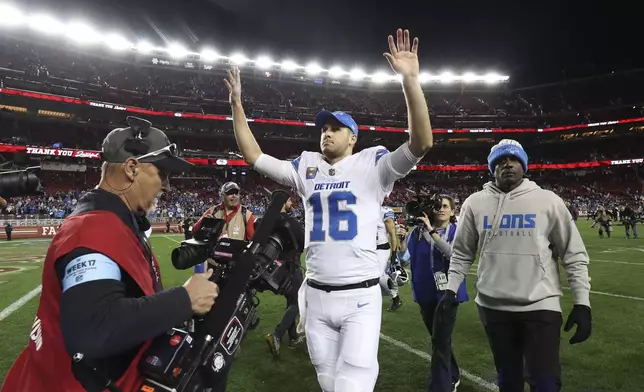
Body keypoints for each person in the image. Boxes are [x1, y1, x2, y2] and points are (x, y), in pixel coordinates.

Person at [223, 28, 433, 391]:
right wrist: (236, 105)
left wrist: (410, 81)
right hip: (316, 293)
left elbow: (421, 143)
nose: (327, 133)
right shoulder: (307, 166)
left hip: (360, 293)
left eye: (337, 128)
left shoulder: (374, 164)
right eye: (324, 127)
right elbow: (254, 157)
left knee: (353, 381)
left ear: (353, 137)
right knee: (328, 380)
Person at [1, 117, 221, 392]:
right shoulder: (92, 229)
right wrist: (184, 300)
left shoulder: (116, 222)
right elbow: (93, 329)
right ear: (131, 168)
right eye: (162, 174)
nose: (167, 186)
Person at [437, 139, 592, 392]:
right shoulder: (474, 203)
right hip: (492, 307)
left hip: (541, 305)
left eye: (514, 159)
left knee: (545, 383)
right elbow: (462, 253)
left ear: (524, 165)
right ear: (491, 168)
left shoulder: (548, 201)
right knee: (508, 380)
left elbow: (573, 254)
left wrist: (582, 303)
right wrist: (451, 289)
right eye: (500, 161)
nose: (507, 164)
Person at [397, 195, 467, 392]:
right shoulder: (417, 233)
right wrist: (401, 240)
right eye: (438, 206)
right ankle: (452, 374)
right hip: (425, 291)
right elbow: (403, 259)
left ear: (453, 211)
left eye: (446, 206)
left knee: (440, 339)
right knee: (438, 338)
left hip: (449, 292)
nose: (441, 209)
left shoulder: (457, 231)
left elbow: (454, 255)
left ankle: (442, 385)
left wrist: (432, 231)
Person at [266, 192, 306, 357]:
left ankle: (293, 338)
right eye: (289, 200)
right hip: (291, 266)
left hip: (275, 269)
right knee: (299, 303)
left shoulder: (268, 221)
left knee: (292, 301)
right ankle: (276, 335)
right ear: (283, 202)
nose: (291, 203)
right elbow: (303, 243)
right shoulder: (289, 221)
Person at [376, 205, 401, 311]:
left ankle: (396, 298)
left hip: (381, 248)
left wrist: (394, 254)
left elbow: (392, 235)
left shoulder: (384, 211)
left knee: (379, 275)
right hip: (368, 249)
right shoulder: (365, 207)